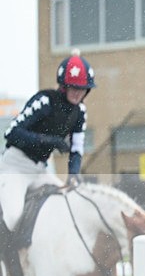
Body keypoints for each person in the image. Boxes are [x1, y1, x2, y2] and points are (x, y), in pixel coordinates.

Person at [0, 49, 95, 241]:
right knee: (12, 217)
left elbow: (77, 148)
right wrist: (49, 141)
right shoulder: (45, 101)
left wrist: (73, 174)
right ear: (64, 86)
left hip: (40, 171)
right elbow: (11, 133)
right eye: (73, 87)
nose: (77, 93)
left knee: (67, 206)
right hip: (14, 167)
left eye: (82, 88)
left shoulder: (80, 113)